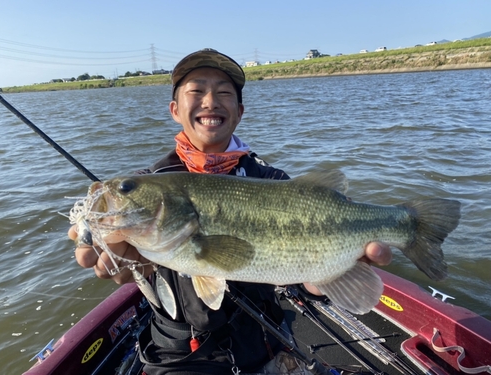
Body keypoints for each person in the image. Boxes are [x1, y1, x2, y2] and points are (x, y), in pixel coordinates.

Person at [69, 48, 392, 375]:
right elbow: (112, 250)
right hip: (179, 357)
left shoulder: (274, 181)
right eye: (196, 92)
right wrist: (123, 259)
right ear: (175, 110)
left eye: (223, 93)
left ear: (238, 112)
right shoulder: (151, 182)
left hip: (267, 344)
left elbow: (300, 282)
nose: (210, 101)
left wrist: (322, 279)